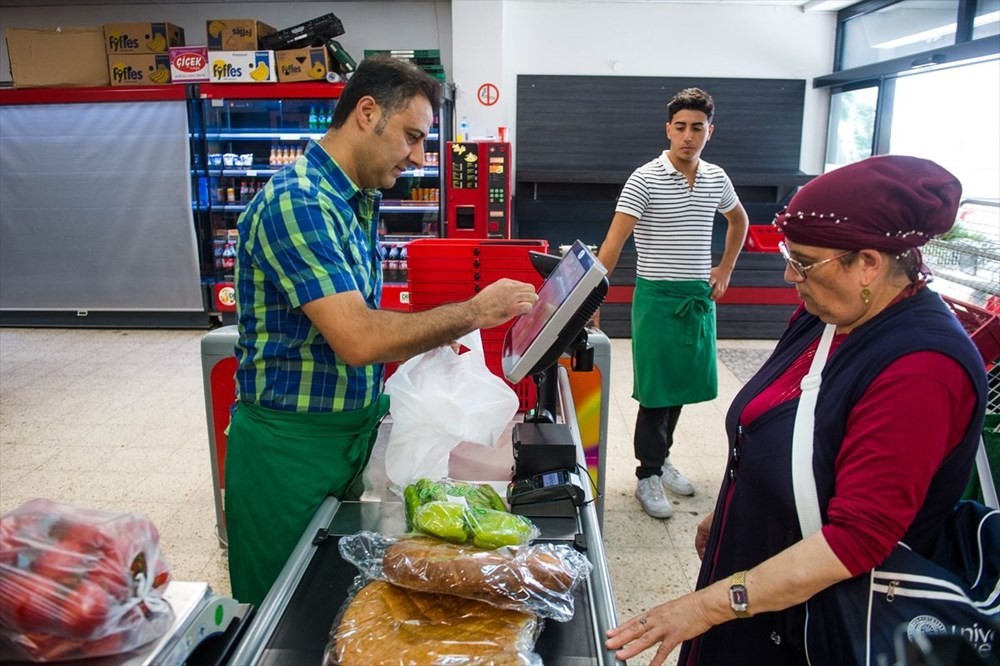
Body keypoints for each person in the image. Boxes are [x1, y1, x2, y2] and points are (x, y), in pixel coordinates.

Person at [605, 155, 988, 665]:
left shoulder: (921, 368)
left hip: (817, 616)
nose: (789, 273)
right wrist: (732, 512)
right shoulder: (827, 316)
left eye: (803, 261)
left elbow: (854, 542)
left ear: (868, 263)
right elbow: (781, 432)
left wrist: (705, 607)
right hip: (759, 581)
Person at [224, 56, 539, 607]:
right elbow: (359, 339)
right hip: (288, 451)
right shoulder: (301, 202)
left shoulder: (356, 201)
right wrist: (470, 312)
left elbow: (356, 316)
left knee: (326, 601)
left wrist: (426, 333)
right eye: (412, 136)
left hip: (344, 438)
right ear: (367, 113)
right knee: (279, 614)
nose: (419, 155)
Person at [596, 88, 749, 519]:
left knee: (680, 388)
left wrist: (725, 269)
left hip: (697, 300)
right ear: (668, 129)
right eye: (680, 127)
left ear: (709, 131)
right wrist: (591, 294)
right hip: (658, 301)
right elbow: (613, 243)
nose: (688, 136)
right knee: (656, 393)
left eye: (696, 128)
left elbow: (739, 219)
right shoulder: (644, 179)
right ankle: (647, 474)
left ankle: (661, 461)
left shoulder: (717, 178)